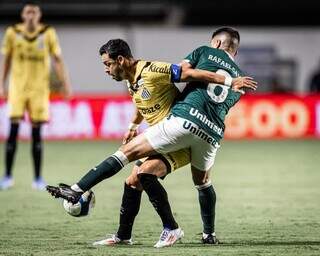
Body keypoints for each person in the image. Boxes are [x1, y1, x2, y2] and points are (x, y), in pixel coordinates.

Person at [47, 28, 257, 247]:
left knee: (132, 161)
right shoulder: (132, 80)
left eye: (107, 64)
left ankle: (77, 189)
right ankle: (126, 236)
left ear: (120, 60)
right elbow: (142, 101)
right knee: (136, 180)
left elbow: (186, 73)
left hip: (179, 132)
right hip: (209, 133)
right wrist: (133, 125)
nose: (106, 70)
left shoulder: (155, 69)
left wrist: (225, 82)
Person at [0, 2, 71, 190]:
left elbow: (57, 60)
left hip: (39, 90)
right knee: (13, 132)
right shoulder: (13, 33)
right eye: (28, 11)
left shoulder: (48, 33)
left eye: (34, 11)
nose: (31, 14)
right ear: (23, 15)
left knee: (37, 133)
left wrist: (65, 84)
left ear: (38, 15)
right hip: (17, 88)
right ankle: (7, 176)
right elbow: (6, 60)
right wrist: (2, 84)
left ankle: (38, 178)